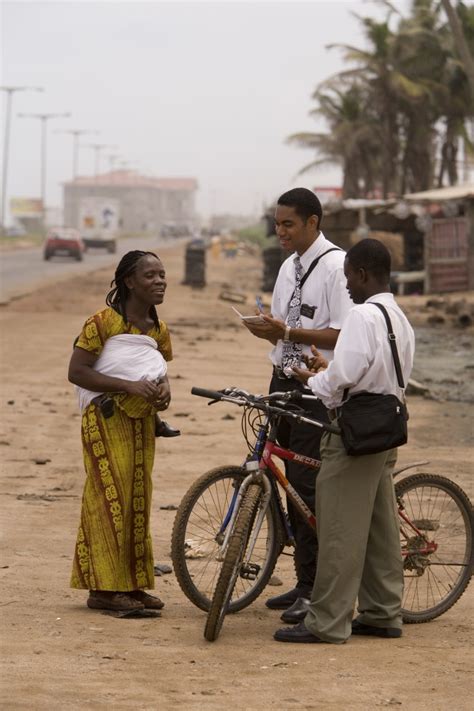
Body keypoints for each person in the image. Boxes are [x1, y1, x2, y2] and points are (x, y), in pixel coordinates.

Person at [274, 238, 415, 644]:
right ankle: (382, 611)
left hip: (353, 430)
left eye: (350, 276)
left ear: (363, 273)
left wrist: (312, 378)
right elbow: (379, 369)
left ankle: (327, 622)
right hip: (385, 427)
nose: (347, 285)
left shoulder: (361, 316)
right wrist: (331, 372)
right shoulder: (397, 316)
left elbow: (343, 377)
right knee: (379, 528)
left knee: (339, 530)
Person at [244, 188, 353, 623]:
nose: (280, 231)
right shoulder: (289, 267)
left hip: (315, 388)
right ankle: (301, 579)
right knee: (287, 481)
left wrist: (287, 333)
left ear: (313, 222)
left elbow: (344, 333)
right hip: (282, 381)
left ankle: (315, 588)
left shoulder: (335, 267)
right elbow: (285, 329)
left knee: (308, 487)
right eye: (277, 223)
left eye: (289, 223)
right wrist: (269, 331)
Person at [68, 250, 174, 613]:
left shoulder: (158, 329)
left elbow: (158, 370)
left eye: (162, 275)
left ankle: (131, 584)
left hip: (142, 425)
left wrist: (163, 392)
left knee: (138, 498)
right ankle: (103, 589)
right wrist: (128, 386)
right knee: (108, 496)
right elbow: (78, 372)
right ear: (129, 281)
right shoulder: (102, 322)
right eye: (150, 276)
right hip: (106, 420)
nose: (160, 281)